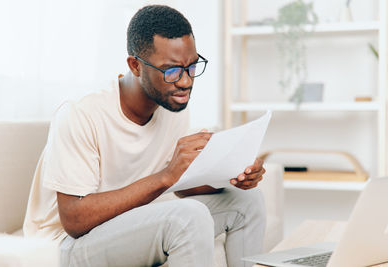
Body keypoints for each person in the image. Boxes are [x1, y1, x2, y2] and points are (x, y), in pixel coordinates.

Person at [23, 4, 266, 267]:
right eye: (172, 71)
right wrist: (165, 176)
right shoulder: (81, 114)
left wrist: (233, 176)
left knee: (247, 200)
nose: (185, 82)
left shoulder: (172, 106)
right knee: (188, 217)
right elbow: (74, 219)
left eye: (192, 67)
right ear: (135, 66)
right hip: (62, 247)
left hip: (124, 227)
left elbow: (181, 185)